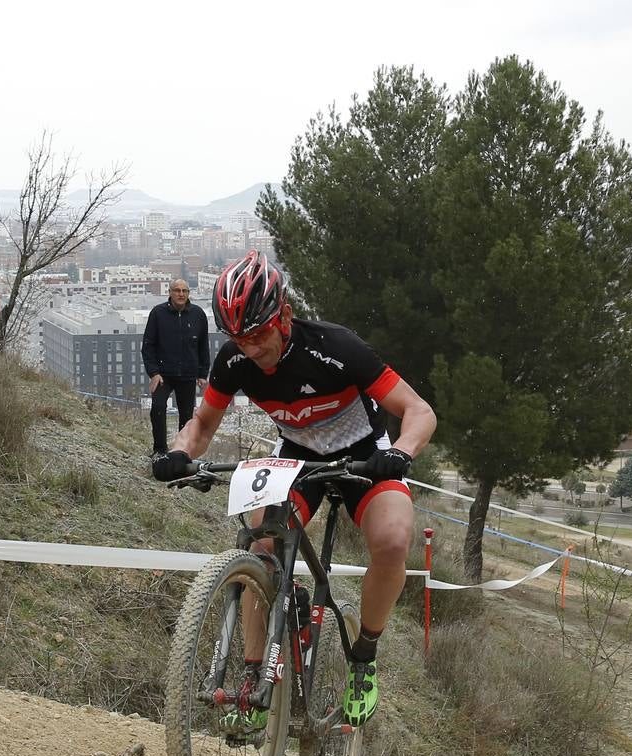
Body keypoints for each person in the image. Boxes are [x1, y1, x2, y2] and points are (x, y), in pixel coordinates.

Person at [153, 251, 436, 727]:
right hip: (297, 457)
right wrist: (180, 453)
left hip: (363, 452)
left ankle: (364, 658)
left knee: (391, 542)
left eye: (259, 334)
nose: (251, 348)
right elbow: (201, 422)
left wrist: (401, 453)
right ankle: (252, 680)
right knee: (260, 546)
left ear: (283, 315)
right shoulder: (235, 360)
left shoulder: (336, 347)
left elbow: (420, 411)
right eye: (239, 338)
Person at [141, 279, 210, 457]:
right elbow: (148, 345)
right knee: (157, 407)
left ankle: (182, 453)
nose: (181, 294)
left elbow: (203, 346)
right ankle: (160, 451)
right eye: (177, 290)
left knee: (187, 417)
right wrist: (154, 373)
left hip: (188, 374)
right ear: (170, 293)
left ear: (188, 293)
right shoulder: (158, 314)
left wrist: (203, 373)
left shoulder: (198, 314)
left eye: (184, 291)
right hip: (163, 375)